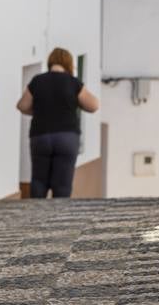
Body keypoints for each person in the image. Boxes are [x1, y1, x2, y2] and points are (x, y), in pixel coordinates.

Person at [17, 48, 99, 199]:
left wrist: (39, 111)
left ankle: (36, 216)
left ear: (50, 62)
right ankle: (58, 219)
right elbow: (93, 105)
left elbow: (22, 105)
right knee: (62, 184)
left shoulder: (38, 80)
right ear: (69, 64)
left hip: (40, 136)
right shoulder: (73, 82)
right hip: (67, 137)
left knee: (39, 180)